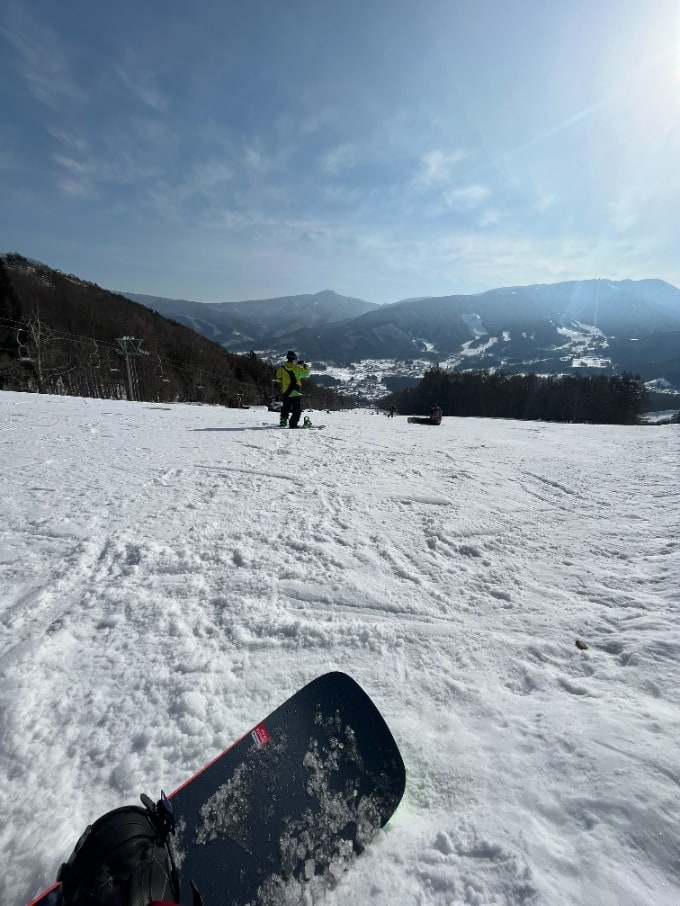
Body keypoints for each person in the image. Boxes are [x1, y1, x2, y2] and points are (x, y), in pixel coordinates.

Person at [275, 351, 310, 428]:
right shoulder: (297, 368)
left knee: (285, 407)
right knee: (296, 408)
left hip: (285, 390)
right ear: (295, 359)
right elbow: (306, 374)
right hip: (295, 391)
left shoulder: (281, 368)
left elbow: (278, 379)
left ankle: (283, 421)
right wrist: (305, 366)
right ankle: (293, 423)